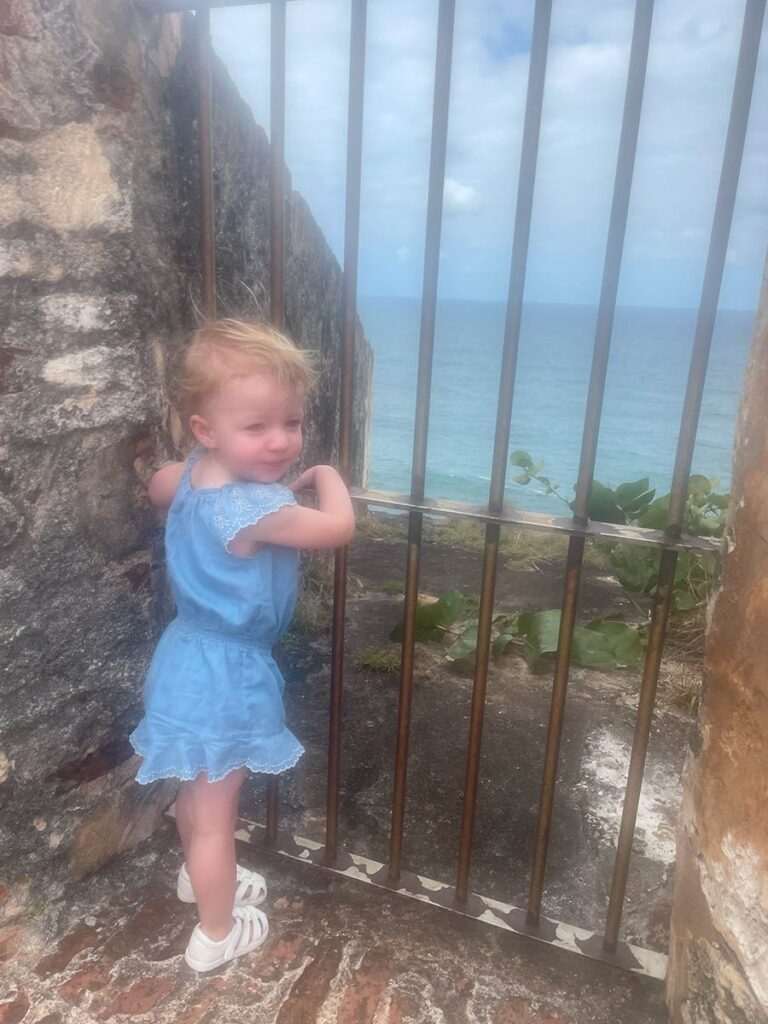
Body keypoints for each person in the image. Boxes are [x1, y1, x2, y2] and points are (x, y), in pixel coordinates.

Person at [128, 318, 355, 973]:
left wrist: (231, 461)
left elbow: (157, 485)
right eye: (257, 427)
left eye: (293, 423)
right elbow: (337, 527)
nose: (280, 440)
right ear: (207, 428)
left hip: (182, 657)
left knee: (194, 795)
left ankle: (198, 879)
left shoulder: (193, 473)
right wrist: (326, 474)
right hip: (227, 675)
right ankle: (217, 932)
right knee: (215, 818)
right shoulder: (256, 510)